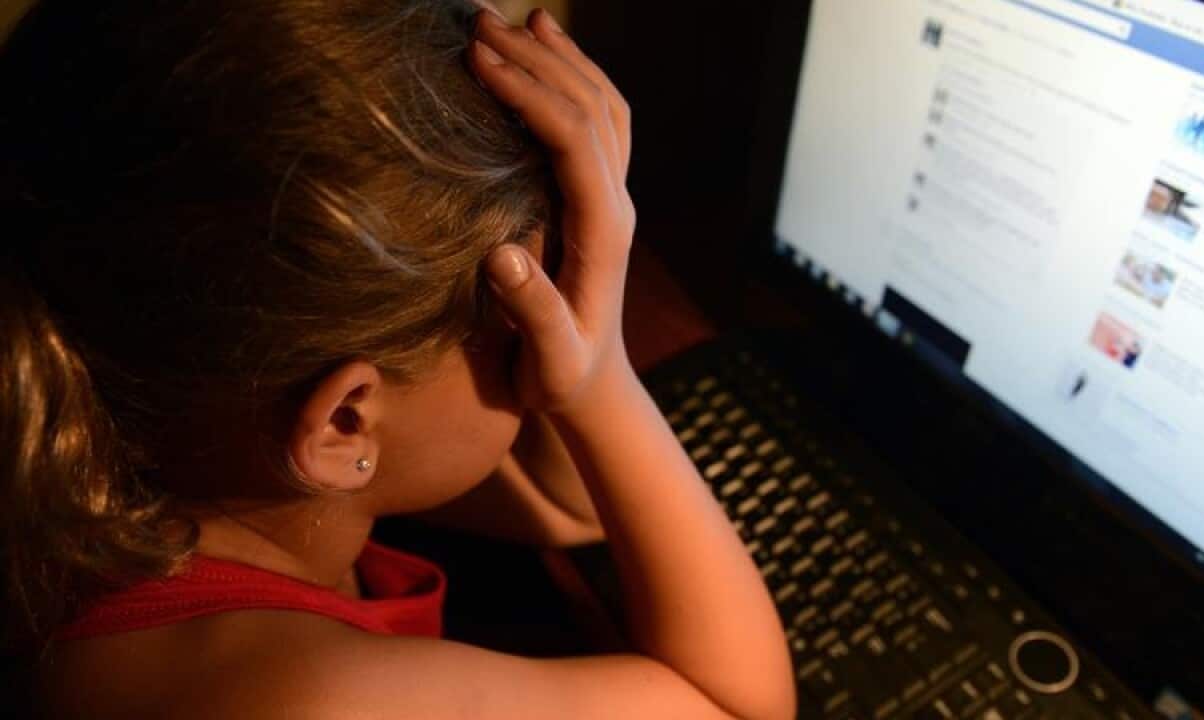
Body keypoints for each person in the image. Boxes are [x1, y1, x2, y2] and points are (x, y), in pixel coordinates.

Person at [0, 1, 795, 718]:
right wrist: (603, 380)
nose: (557, 332)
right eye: (523, 315)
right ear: (346, 421)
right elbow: (733, 703)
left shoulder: (157, 430)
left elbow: (571, 507)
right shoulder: (314, 700)